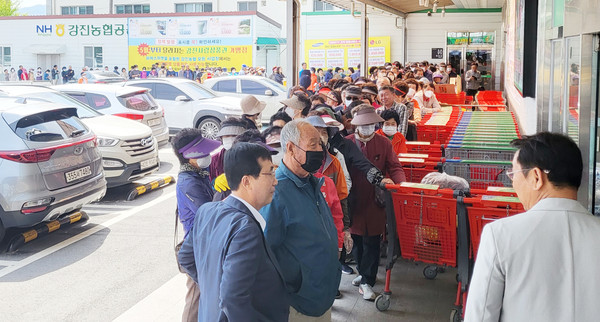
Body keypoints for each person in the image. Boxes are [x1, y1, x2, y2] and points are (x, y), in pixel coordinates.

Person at [465, 132, 600, 321]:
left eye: (513, 174)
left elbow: (479, 316)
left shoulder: (500, 235)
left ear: (536, 177)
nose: (513, 182)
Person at [178, 143, 289, 321]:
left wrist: (212, 288)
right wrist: (219, 291)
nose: (275, 181)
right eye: (269, 173)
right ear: (247, 181)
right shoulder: (245, 229)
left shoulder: (207, 211)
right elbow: (232, 299)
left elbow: (185, 257)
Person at [260, 120, 340, 320]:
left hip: (321, 293)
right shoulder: (276, 193)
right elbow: (266, 252)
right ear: (290, 148)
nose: (320, 151)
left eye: (320, 145)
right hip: (298, 302)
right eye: (312, 145)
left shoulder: (311, 181)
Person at [346, 105, 405, 300]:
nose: (368, 128)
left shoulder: (383, 143)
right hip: (352, 200)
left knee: (372, 240)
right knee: (356, 240)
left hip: (375, 199)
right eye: (364, 125)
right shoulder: (346, 144)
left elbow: (394, 166)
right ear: (356, 126)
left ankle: (367, 281)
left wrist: (401, 184)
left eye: (371, 124)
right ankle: (363, 271)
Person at [172, 129, 221, 322]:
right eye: (202, 152)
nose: (207, 156)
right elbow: (207, 212)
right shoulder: (188, 182)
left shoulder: (198, 174)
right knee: (196, 295)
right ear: (189, 156)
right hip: (198, 246)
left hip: (205, 242)